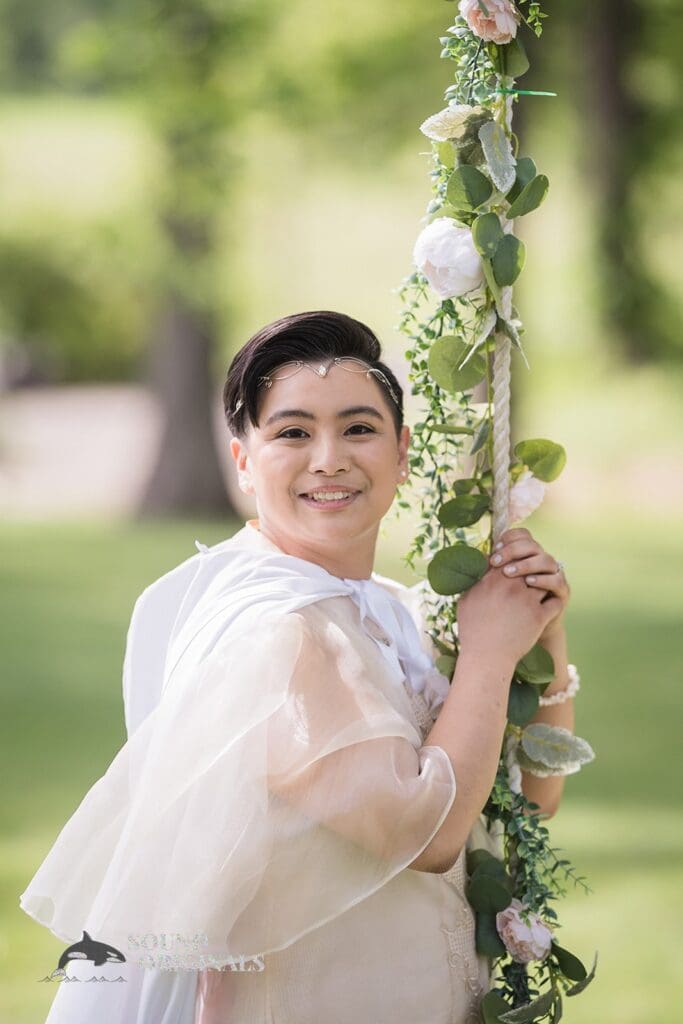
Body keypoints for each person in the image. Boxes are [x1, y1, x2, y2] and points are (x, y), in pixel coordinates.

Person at [20, 310, 575, 1024]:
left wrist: (543, 634)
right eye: (291, 432)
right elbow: (427, 835)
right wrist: (493, 654)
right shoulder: (273, 634)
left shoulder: (391, 614)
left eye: (358, 428)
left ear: (401, 452)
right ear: (243, 460)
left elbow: (527, 798)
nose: (328, 458)